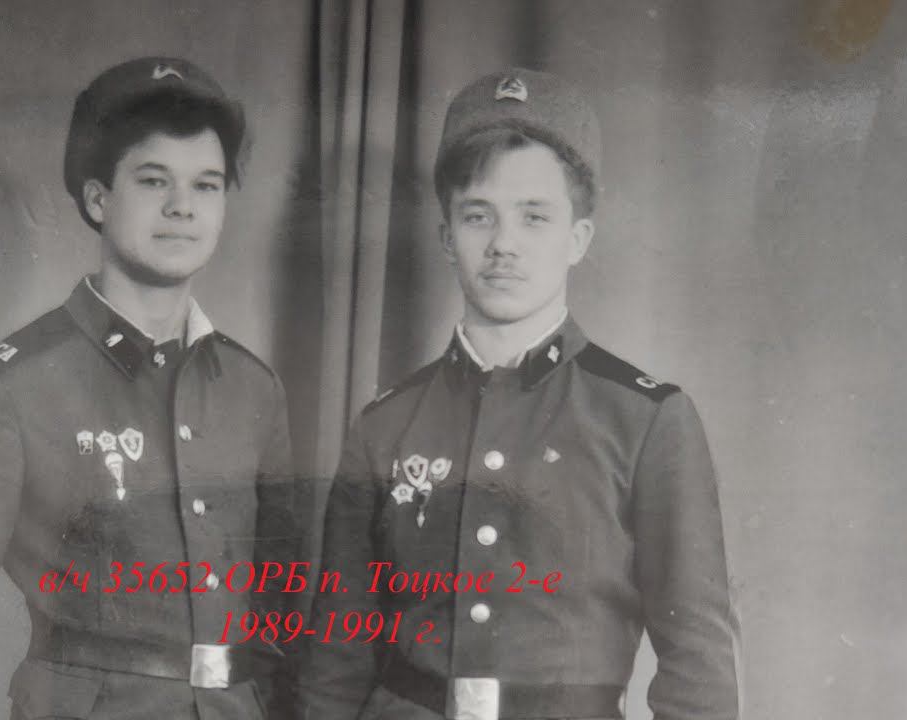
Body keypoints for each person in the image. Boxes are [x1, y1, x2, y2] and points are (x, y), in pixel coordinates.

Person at [297, 68, 741, 720]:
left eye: (535, 217)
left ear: (578, 239)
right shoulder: (384, 427)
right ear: (447, 237)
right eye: (479, 216)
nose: (504, 244)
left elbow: (699, 666)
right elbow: (336, 662)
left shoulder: (645, 420)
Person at [0, 56, 298, 720]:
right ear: (98, 198)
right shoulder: (7, 389)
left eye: (207, 185)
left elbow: (280, 614)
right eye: (154, 180)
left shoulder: (253, 390)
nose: (183, 207)